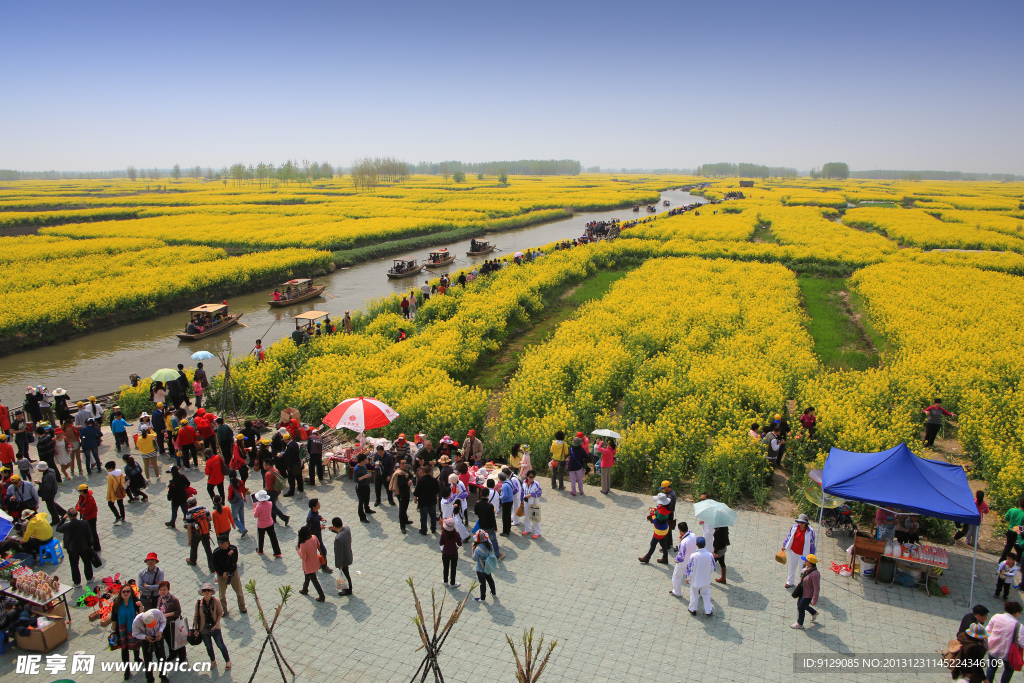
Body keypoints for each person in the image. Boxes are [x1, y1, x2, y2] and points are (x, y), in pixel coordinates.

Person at [110, 584, 144, 675]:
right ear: (120, 593)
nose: (126, 593)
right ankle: (127, 670)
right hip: (121, 631)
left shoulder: (134, 600)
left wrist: (141, 607)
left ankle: (137, 658)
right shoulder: (116, 604)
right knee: (124, 649)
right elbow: (114, 619)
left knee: (136, 645)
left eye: (128, 591)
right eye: (123, 591)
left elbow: (141, 614)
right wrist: (113, 632)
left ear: (131, 592)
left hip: (133, 628)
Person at [194, 583, 231, 669]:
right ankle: (212, 660)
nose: (206, 592)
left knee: (220, 644)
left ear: (211, 592)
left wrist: (217, 623)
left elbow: (220, 612)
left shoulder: (215, 601)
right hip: (203, 628)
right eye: (204, 591)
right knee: (208, 646)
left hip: (215, 627)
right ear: (202, 592)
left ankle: (227, 660)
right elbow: (196, 616)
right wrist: (196, 628)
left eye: (208, 591)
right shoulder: (198, 603)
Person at [987, 601, 1024, 683]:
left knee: (991, 667)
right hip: (1008, 652)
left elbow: (988, 630)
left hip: (993, 647)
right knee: (1009, 670)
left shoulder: (996, 616)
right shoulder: (1019, 626)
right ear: (1016, 612)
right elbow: (1022, 642)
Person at [56, 508, 94, 585]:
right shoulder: (84, 523)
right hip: (84, 547)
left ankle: (77, 582)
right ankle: (89, 578)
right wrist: (91, 544)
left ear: (68, 516)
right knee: (87, 562)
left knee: (74, 565)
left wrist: (63, 519)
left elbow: (57, 529)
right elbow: (89, 535)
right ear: (77, 514)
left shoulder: (66, 526)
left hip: (72, 549)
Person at [132, 608, 170, 683]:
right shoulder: (136, 621)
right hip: (146, 640)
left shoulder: (157, 613)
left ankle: (163, 676)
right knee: (148, 660)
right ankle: (150, 679)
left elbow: (163, 621)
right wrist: (145, 637)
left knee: (162, 657)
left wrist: (160, 631)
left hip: (158, 636)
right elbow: (135, 634)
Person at [213, 535, 247, 616]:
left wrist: (232, 555)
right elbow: (214, 565)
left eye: (222, 543)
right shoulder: (216, 552)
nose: (221, 545)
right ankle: (223, 610)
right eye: (219, 543)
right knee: (222, 595)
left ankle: (242, 607)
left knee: (239, 592)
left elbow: (235, 562)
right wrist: (222, 573)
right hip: (222, 575)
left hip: (233, 573)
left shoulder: (233, 549)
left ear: (227, 542)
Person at [782, 514, 816, 588]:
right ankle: (790, 582)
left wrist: (812, 554)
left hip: (804, 554)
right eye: (799, 522)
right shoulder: (794, 527)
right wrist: (784, 545)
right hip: (794, 551)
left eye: (803, 523)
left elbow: (812, 543)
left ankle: (801, 584)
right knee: (792, 567)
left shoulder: (810, 531)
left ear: (806, 523)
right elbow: (789, 536)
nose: (801, 524)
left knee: (803, 569)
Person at [686, 537, 717, 617]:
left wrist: (688, 578)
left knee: (694, 593)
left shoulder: (693, 556)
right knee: (706, 594)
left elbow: (689, 568)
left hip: (695, 580)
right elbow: (713, 567)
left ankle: (693, 609)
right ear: (705, 544)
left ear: (697, 544)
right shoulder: (710, 555)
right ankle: (708, 611)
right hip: (706, 579)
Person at [639, 493, 672, 564]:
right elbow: (658, 507)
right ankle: (665, 558)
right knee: (663, 544)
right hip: (665, 529)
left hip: (659, 531)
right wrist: (654, 509)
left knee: (653, 544)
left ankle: (647, 557)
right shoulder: (666, 507)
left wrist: (652, 513)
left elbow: (656, 522)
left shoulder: (661, 512)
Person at [184, 496, 215, 572]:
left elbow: (189, 528)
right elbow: (210, 519)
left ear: (188, 505)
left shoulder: (189, 514)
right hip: (205, 532)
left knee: (194, 547)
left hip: (196, 533)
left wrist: (189, 539)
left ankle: (193, 560)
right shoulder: (204, 509)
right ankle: (212, 567)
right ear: (196, 502)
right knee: (208, 549)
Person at [157, 582, 185, 663]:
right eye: (160, 590)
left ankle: (182, 656)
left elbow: (178, 612)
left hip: (174, 623)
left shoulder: (173, 600)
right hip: (164, 624)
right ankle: (173, 654)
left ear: (168, 589)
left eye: (164, 589)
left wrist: (167, 615)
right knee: (169, 640)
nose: (162, 592)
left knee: (178, 640)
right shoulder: (159, 599)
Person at [297, 527, 327, 601]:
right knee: (307, 576)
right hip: (315, 561)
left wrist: (298, 551)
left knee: (314, 580)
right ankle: (305, 589)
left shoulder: (302, 545)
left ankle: (322, 596)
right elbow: (318, 545)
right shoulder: (314, 537)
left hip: (308, 565)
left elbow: (304, 557)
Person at [791, 554, 820, 629]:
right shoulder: (806, 568)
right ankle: (814, 612)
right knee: (801, 605)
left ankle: (800, 623)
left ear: (810, 563)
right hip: (802, 591)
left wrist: (814, 599)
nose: (804, 561)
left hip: (808, 594)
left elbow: (816, 588)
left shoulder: (815, 574)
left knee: (801, 607)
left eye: (806, 560)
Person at [474, 485, 503, 560]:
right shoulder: (490, 505)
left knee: (483, 541)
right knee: (493, 541)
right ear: (488, 495)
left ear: (480, 494)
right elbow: (492, 518)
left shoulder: (477, 503)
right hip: (489, 526)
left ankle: (483, 554)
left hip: (481, 525)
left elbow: (476, 513)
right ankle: (497, 555)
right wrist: (495, 527)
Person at [306, 498, 332, 572]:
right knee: (323, 551)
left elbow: (318, 515)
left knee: (320, 551)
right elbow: (310, 530)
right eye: (317, 504)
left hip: (318, 536)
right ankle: (323, 566)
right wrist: (319, 528)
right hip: (314, 538)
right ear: (313, 507)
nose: (319, 504)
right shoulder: (310, 518)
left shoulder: (314, 512)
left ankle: (319, 564)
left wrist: (321, 519)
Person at [329, 517, 354, 596]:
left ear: (334, 526)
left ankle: (347, 590)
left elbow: (339, 553)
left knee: (345, 574)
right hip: (348, 554)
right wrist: (333, 530)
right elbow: (340, 532)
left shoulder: (338, 539)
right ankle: (347, 589)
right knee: (346, 573)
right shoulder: (347, 529)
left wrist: (339, 565)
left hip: (343, 559)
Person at [253, 490, 282, 556]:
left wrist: (254, 507)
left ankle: (260, 550)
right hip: (269, 523)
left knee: (261, 538)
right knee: (273, 537)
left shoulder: (258, 507)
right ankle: (277, 552)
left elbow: (255, 515)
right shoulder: (270, 503)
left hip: (261, 524)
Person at [472, 531, 497, 603]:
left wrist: (472, 550)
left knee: (482, 584)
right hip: (487, 566)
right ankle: (494, 593)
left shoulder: (477, 549)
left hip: (480, 569)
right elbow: (492, 550)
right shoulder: (489, 545)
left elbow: (475, 559)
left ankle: (482, 599)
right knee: (490, 580)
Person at [415, 465, 440, 534]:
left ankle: (424, 530)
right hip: (432, 500)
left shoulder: (420, 481)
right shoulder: (434, 480)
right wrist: (436, 497)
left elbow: (416, 491)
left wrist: (415, 498)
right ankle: (433, 529)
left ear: (423, 472)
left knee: (423, 516)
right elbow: (437, 491)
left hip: (423, 501)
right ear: (431, 471)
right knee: (433, 515)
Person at [439, 516, 463, 588]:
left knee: (445, 567)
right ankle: (452, 583)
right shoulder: (456, 534)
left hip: (445, 553)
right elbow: (460, 544)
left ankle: (445, 581)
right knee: (453, 568)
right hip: (454, 553)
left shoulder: (443, 534)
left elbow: (441, 543)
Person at [76, 482, 101, 550]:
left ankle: (96, 547)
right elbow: (77, 506)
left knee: (93, 532)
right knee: (88, 532)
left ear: (82, 491)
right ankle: (90, 544)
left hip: (91, 517)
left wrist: (79, 509)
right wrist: (80, 509)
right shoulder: (82, 497)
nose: (78, 492)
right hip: (85, 517)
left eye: (79, 491)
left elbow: (86, 510)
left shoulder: (90, 499)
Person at [392, 459, 412, 534]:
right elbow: (400, 484)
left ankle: (405, 520)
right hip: (401, 493)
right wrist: (407, 480)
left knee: (406, 506)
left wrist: (410, 480)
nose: (404, 464)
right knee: (402, 509)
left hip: (407, 492)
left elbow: (412, 476)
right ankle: (402, 526)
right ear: (399, 464)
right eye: (403, 463)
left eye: (405, 463)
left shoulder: (406, 470)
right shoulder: (398, 473)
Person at [281, 432, 303, 497]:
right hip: (297, 463)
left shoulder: (290, 446)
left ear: (286, 440)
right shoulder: (294, 443)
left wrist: (288, 466)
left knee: (291, 479)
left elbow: (290, 457)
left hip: (292, 465)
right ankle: (300, 488)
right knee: (299, 477)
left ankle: (291, 491)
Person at [353, 453, 374, 522]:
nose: (367, 460)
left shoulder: (364, 466)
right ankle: (362, 517)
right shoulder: (357, 469)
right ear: (362, 461)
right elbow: (355, 479)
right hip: (360, 487)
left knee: (367, 499)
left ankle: (367, 509)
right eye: (365, 459)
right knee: (361, 502)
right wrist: (365, 476)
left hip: (366, 485)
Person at [521, 470, 542, 538]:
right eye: (530, 477)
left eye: (533, 477)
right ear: (527, 476)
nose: (532, 478)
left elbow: (539, 493)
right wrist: (521, 500)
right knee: (526, 516)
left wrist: (532, 494)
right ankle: (527, 529)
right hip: (526, 503)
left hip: (534, 503)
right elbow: (522, 492)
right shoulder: (524, 483)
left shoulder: (536, 484)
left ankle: (537, 532)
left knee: (535, 517)